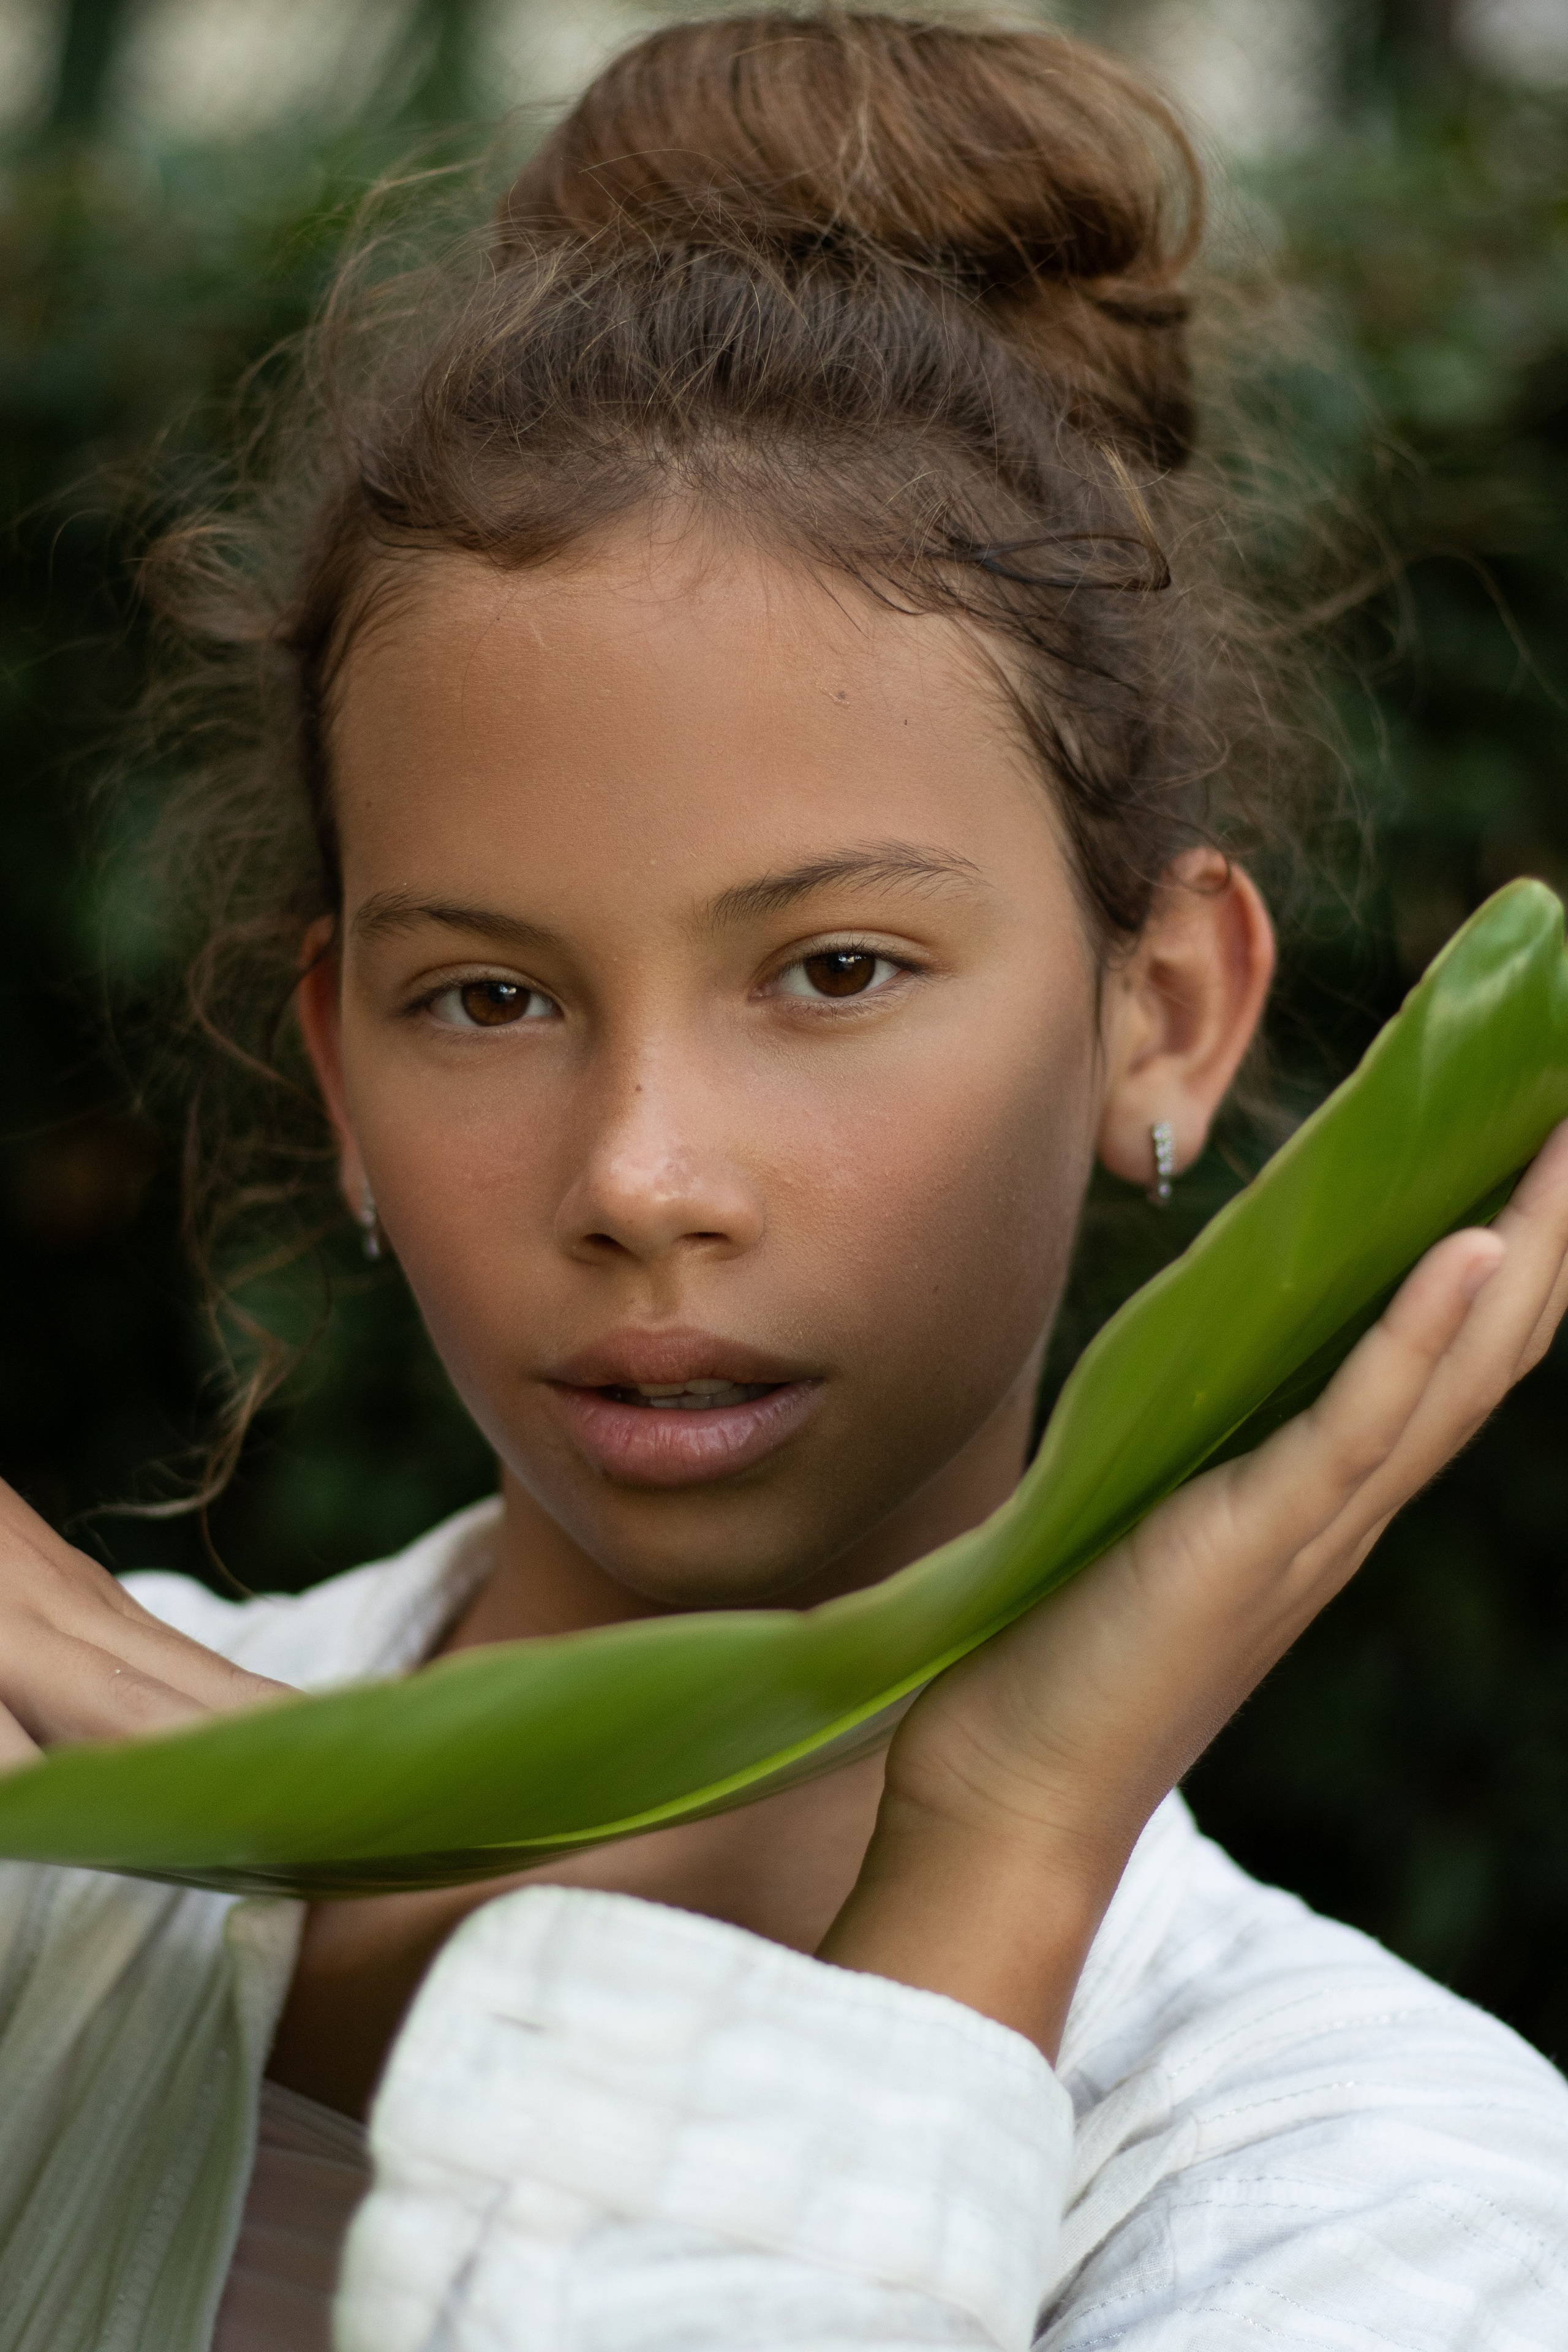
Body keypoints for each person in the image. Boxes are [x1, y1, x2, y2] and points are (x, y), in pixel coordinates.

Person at [1, 12, 1566, 2350]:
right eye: (491, 1001)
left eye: (833, 967)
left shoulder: (1396, 2200)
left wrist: (997, 1872)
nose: (644, 1178)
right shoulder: (49, 1855)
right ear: (337, 1062)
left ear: (1168, 1006)